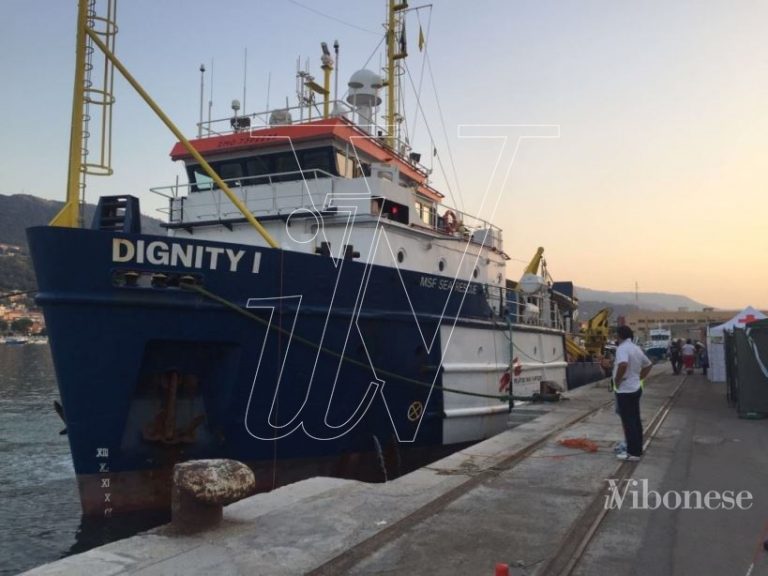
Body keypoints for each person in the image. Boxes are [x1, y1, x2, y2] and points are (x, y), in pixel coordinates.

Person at [612, 325, 652, 461]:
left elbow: (623, 365)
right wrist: (640, 377)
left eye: (616, 334)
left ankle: (633, 453)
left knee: (628, 422)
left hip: (625, 390)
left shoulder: (622, 348)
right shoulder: (636, 348)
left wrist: (617, 381)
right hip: (635, 388)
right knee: (635, 420)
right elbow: (648, 364)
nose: (615, 337)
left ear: (620, 335)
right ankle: (638, 449)